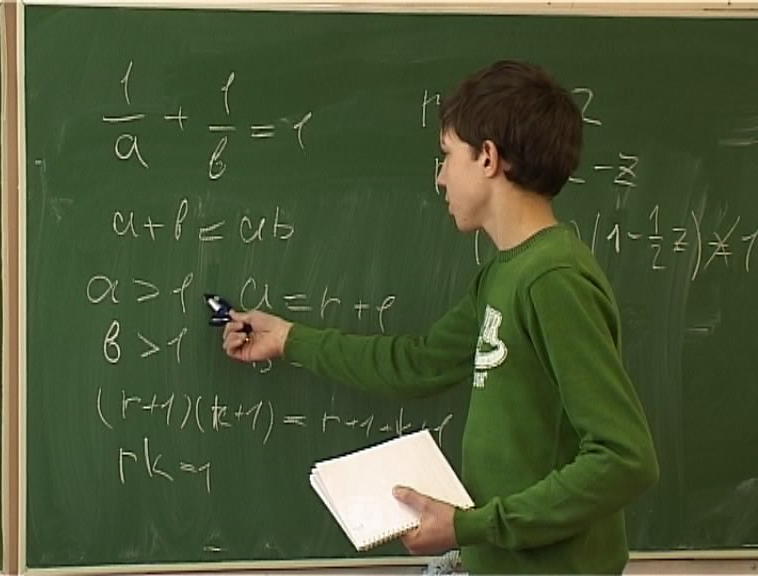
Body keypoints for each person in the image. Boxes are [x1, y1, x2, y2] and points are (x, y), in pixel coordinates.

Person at [222, 60, 659, 574]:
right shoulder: (505, 273)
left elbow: (625, 459)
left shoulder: (552, 279)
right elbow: (420, 363)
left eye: (448, 155)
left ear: (488, 158)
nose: (441, 176)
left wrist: (472, 526)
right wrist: (289, 338)